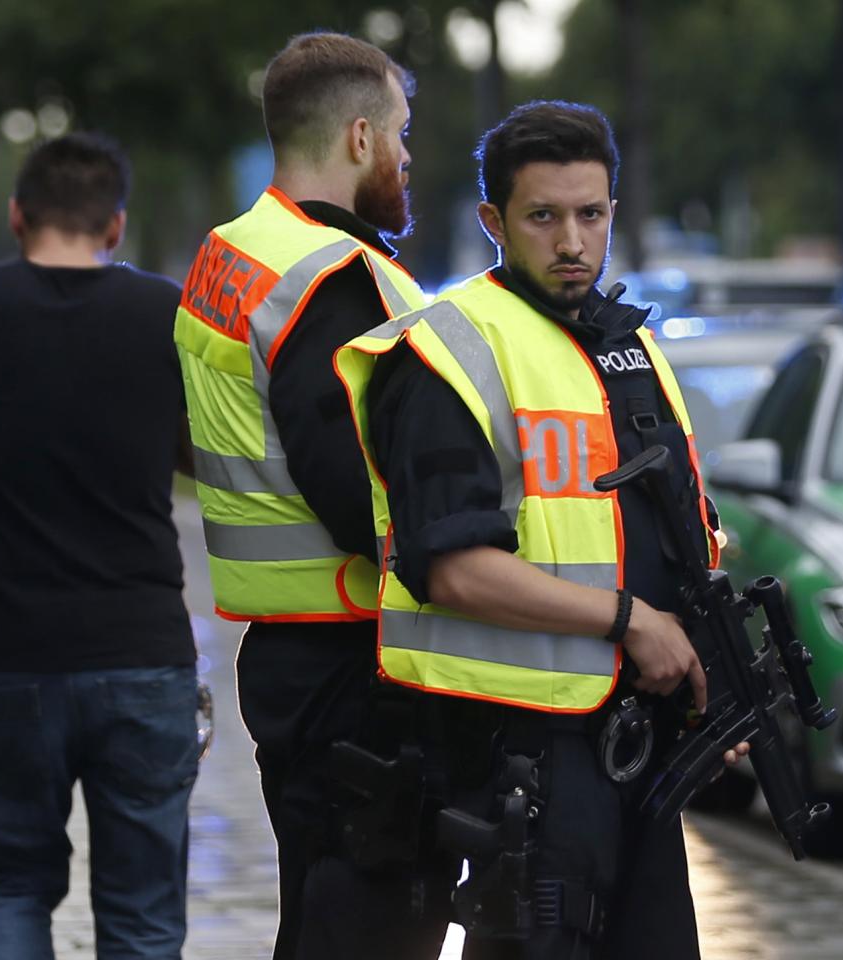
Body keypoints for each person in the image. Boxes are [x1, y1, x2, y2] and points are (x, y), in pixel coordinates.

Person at [335, 100, 742, 960]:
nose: (571, 242)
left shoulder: (626, 346)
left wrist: (712, 686)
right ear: (493, 221)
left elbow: (670, 538)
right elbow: (451, 569)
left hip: (631, 747)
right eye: (543, 217)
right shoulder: (448, 350)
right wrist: (633, 622)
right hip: (517, 760)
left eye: (590, 215)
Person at [173, 31, 452, 959]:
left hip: (289, 656)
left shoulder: (232, 254)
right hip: (354, 663)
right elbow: (354, 483)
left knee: (321, 912)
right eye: (403, 134)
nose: (410, 157)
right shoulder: (332, 281)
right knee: (367, 926)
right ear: (362, 137)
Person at [0, 134, 199, 959]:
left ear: (16, 214)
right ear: (116, 225)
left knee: (10, 887)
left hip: (6, 650)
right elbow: (199, 462)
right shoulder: (164, 311)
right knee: (141, 912)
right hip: (141, 649)